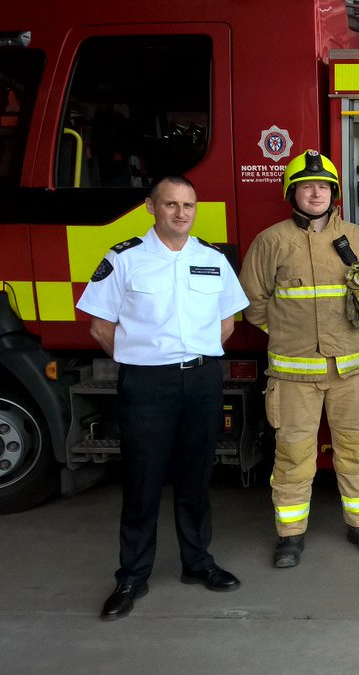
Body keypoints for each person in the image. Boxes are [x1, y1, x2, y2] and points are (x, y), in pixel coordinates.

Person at [77, 175, 249, 621]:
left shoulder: (212, 258)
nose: (180, 213)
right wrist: (143, 359)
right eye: (170, 204)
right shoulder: (125, 259)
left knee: (196, 479)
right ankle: (132, 576)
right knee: (142, 481)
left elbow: (227, 321)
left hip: (201, 381)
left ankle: (197, 563)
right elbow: (99, 325)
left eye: (188, 205)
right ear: (151, 207)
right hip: (147, 384)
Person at [239, 150, 359, 567]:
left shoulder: (357, 239)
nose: (316, 193)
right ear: (293, 193)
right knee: (292, 455)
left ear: (334, 193)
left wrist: (357, 324)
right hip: (293, 375)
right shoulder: (271, 242)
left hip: (352, 372)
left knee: (357, 450)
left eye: (323, 186)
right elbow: (252, 303)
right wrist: (288, 333)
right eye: (307, 186)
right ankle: (290, 535)